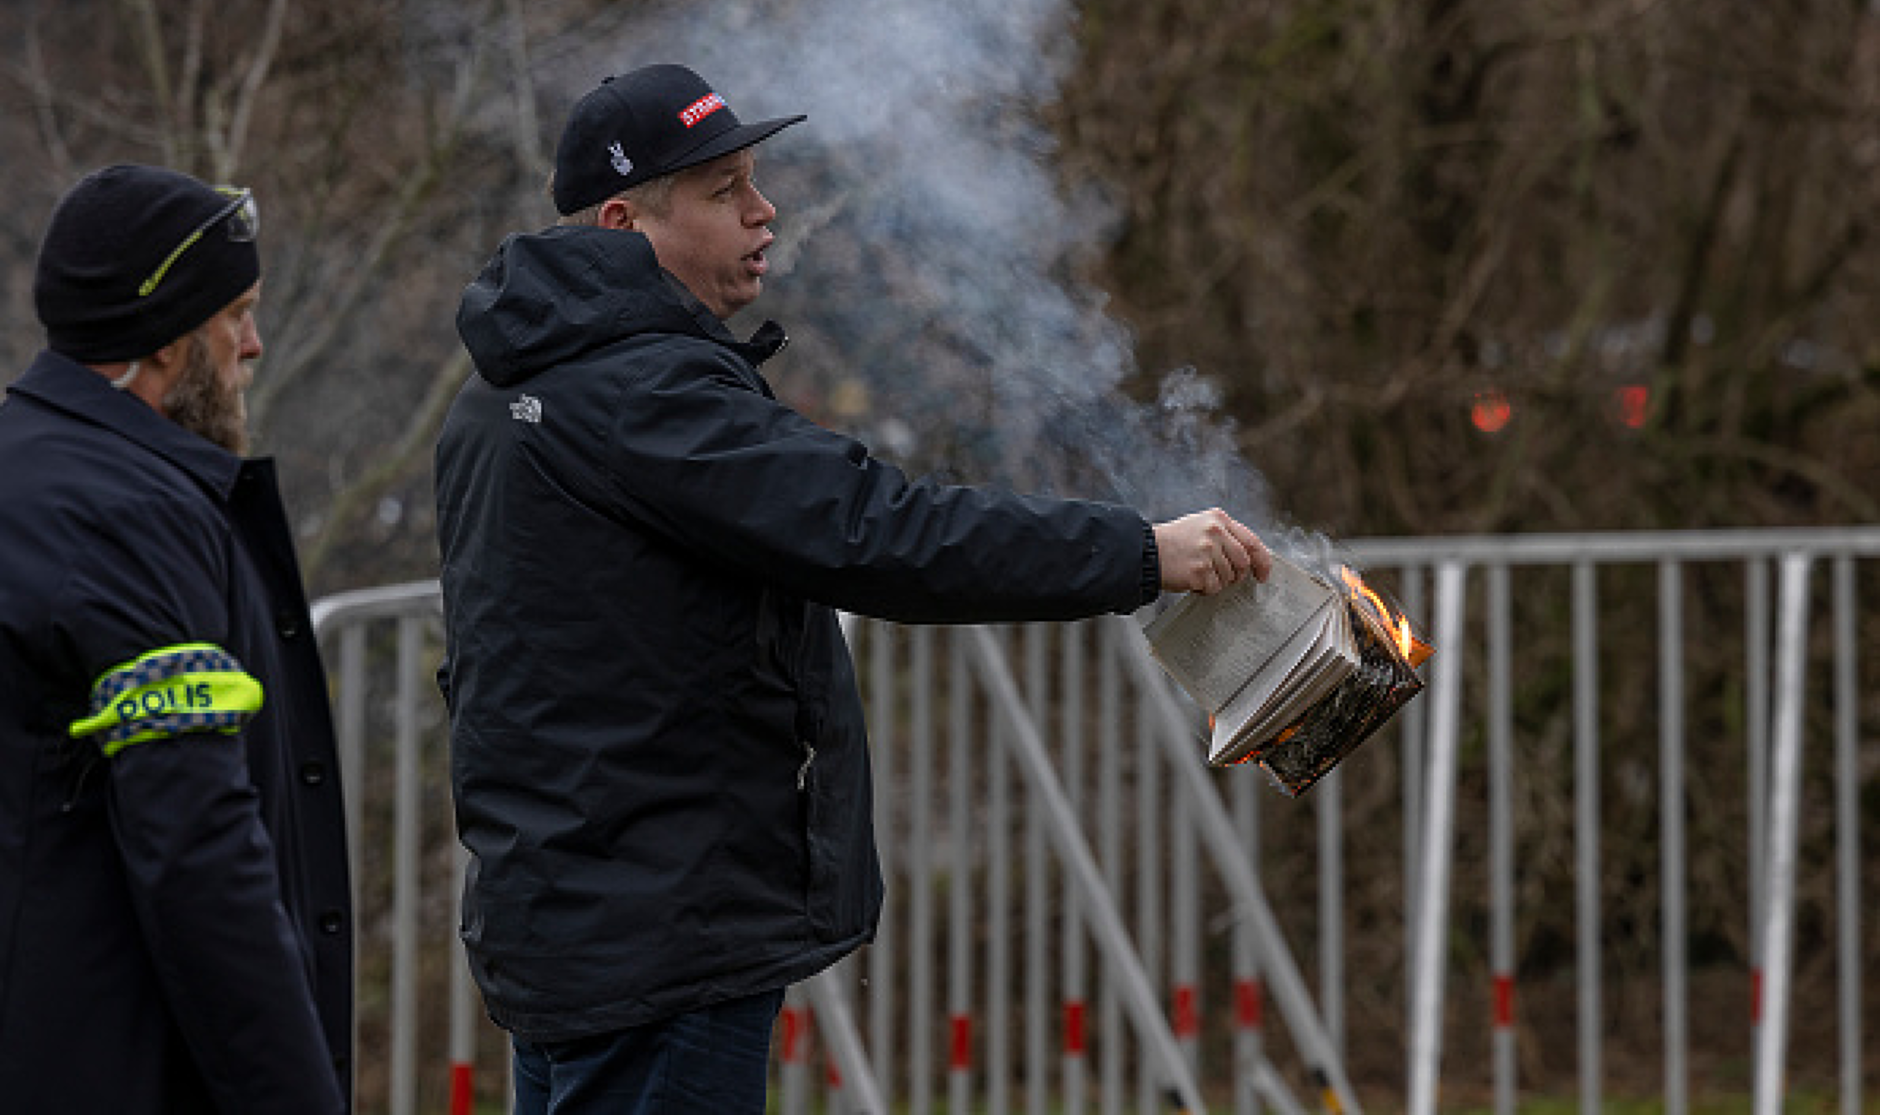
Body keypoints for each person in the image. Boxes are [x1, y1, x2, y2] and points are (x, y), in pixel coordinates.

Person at [433, 63, 1271, 1115]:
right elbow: (883, 533)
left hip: (572, 915)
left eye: (754, 177)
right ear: (619, 221)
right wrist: (1141, 553)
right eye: (722, 187)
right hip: (660, 928)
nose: (761, 206)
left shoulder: (508, 386)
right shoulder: (645, 392)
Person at [0, 165, 353, 1113]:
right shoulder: (125, 517)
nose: (254, 344)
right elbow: (197, 847)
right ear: (166, 340)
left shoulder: (25, 463)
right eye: (235, 314)